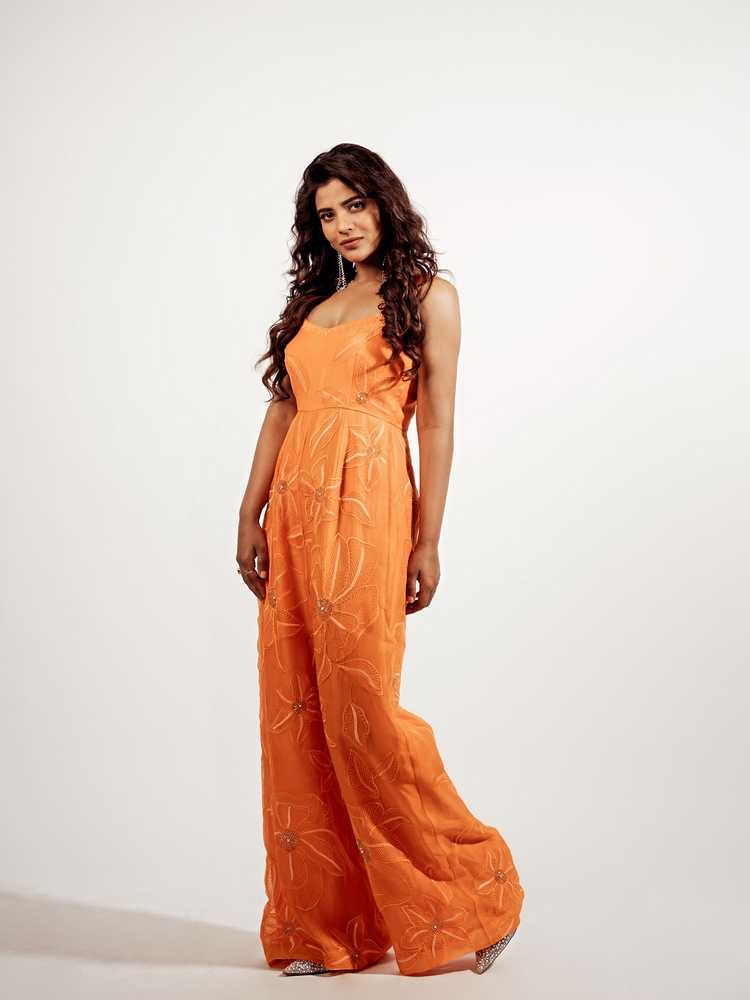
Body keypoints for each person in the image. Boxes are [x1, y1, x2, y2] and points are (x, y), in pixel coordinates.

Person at [236, 143, 524, 976]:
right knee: (298, 709)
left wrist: (429, 535)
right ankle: (328, 929)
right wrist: (249, 510)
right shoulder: (314, 305)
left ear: (384, 202)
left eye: (354, 205)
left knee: (362, 708)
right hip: (295, 511)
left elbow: (435, 420)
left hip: (368, 504)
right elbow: (282, 412)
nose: (343, 225)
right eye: (326, 214)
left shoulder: (430, 296)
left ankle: (476, 893)